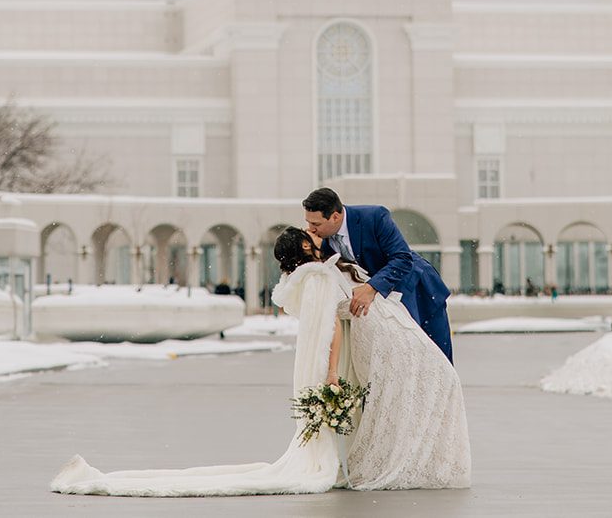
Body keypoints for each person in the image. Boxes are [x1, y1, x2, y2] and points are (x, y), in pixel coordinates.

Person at [48, 228, 471, 496]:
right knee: (421, 390)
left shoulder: (313, 277)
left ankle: (378, 459)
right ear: (304, 248)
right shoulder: (321, 277)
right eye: (309, 235)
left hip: (365, 346)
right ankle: (378, 461)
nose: (316, 234)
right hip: (360, 351)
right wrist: (331, 375)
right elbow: (330, 331)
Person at [303, 187, 454, 363]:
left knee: (437, 359)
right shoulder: (322, 241)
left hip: (418, 290)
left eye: (316, 224)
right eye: (308, 222)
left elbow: (403, 258)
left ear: (335, 217)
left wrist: (371, 287)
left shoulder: (375, 216)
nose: (311, 229)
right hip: (385, 306)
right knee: (403, 361)